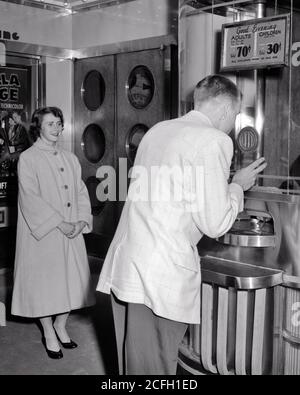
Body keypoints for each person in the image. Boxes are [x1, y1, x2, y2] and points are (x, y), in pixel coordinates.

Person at [96, 74, 267, 375]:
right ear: (227, 109)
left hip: (130, 262)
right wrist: (238, 186)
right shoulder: (214, 140)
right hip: (162, 272)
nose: (234, 122)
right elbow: (216, 223)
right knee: (156, 365)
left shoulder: (158, 131)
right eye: (236, 114)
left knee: (135, 362)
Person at [11, 106, 95, 359]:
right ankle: (48, 330)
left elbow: (81, 191)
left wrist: (81, 220)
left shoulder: (70, 158)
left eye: (59, 123)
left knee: (72, 281)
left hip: (71, 230)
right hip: (44, 233)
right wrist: (60, 223)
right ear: (38, 127)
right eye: (51, 124)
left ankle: (61, 324)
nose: (57, 128)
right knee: (45, 285)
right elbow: (30, 198)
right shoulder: (29, 158)